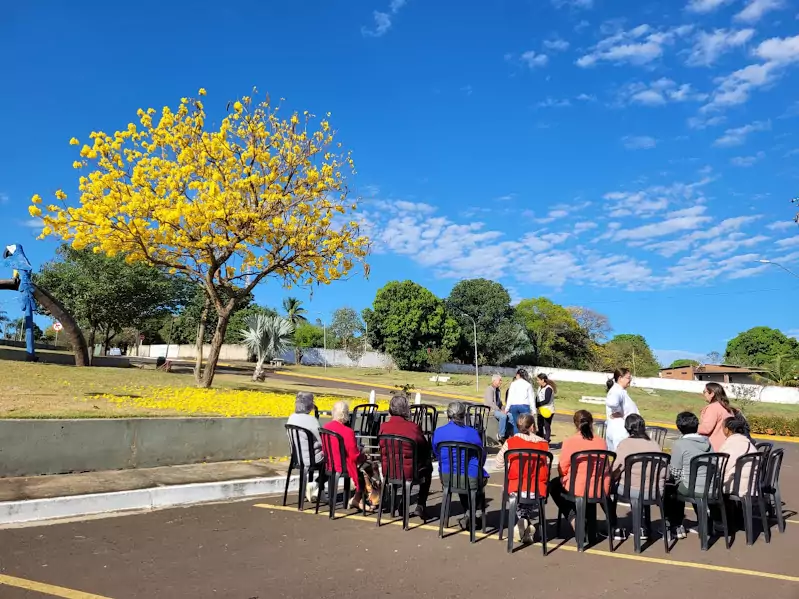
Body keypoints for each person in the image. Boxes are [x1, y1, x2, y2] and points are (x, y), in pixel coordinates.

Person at [549, 410, 609, 533]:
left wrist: (564, 476)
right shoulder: (601, 442)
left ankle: (572, 517)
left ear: (575, 425)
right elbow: (606, 466)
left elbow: (563, 468)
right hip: (598, 486)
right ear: (592, 423)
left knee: (554, 485)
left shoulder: (570, 442)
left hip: (577, 486)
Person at [494, 412, 549, 543]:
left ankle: (523, 520)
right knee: (530, 491)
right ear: (532, 427)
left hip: (515, 487)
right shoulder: (544, 445)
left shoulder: (511, 443)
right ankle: (525, 520)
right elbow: (546, 464)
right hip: (537, 489)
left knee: (516, 490)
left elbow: (498, 463)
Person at [432, 401, 489, 530]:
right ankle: (475, 513)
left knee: (462, 477)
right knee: (476, 477)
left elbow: (437, 452)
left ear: (448, 414)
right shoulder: (472, 433)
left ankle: (469, 514)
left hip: (447, 476)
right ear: (464, 416)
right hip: (470, 477)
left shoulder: (439, 432)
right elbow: (481, 454)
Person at [378, 393, 434, 520]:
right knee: (426, 468)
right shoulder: (413, 428)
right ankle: (420, 505)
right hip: (409, 472)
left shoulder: (383, 427)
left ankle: (400, 504)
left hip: (389, 471)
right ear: (406, 410)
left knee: (405, 464)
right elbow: (424, 447)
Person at [610, 414, 663, 541]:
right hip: (654, 490)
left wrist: (611, 478)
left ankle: (613, 525)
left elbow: (616, 468)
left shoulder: (625, 444)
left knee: (606, 488)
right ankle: (642, 526)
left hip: (631, 489)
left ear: (627, 428)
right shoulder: (655, 444)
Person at [322, 401, 380, 512]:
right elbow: (354, 456)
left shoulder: (325, 428)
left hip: (330, 464)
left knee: (365, 467)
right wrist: (363, 454)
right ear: (346, 414)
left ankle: (358, 498)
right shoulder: (348, 431)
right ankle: (372, 500)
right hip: (345, 466)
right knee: (371, 466)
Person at [664, 411, 711, 539]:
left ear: (679, 428)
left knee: (670, 487)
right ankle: (705, 523)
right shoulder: (708, 443)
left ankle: (676, 525)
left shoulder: (680, 444)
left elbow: (675, 471)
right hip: (710, 486)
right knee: (692, 482)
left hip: (691, 487)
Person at [286, 391, 326, 502]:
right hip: (312, 458)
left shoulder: (292, 418)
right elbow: (322, 441)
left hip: (297, 458)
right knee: (333, 461)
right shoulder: (312, 420)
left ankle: (317, 490)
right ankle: (317, 485)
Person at [719, 413, 757, 494]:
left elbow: (722, 467)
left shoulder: (732, 444)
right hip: (752, 484)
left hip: (737, 486)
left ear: (726, 429)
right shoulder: (747, 442)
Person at [605, 368, 640, 452]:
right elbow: (612, 403)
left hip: (621, 431)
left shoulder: (621, 390)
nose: (630, 380)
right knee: (621, 458)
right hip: (620, 432)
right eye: (628, 378)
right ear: (620, 378)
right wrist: (618, 411)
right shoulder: (617, 390)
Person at [699, 383, 736, 451]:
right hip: (728, 445)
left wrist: (693, 427)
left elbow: (706, 429)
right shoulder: (727, 408)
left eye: (705, 392)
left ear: (712, 394)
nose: (704, 394)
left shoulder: (713, 408)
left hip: (714, 449)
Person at [505, 368, 536, 436]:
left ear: (518, 375)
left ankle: (517, 439)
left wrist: (506, 408)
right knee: (526, 424)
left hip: (514, 406)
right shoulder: (528, 384)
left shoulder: (513, 384)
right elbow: (531, 398)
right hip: (524, 405)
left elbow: (510, 397)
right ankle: (525, 438)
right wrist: (533, 410)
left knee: (517, 424)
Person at [484, 374, 509, 442]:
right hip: (491, 410)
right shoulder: (489, 389)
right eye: (499, 380)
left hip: (497, 410)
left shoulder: (498, 390)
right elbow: (490, 403)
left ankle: (508, 434)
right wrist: (500, 410)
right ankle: (501, 435)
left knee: (510, 415)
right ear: (494, 381)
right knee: (503, 416)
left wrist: (504, 408)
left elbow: (499, 403)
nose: (501, 382)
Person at [535, 373, 557, 441]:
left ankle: (547, 440)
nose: (537, 381)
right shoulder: (539, 387)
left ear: (543, 380)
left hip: (548, 410)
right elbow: (537, 397)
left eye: (538, 380)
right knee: (540, 425)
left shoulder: (548, 388)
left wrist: (538, 404)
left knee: (547, 426)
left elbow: (547, 400)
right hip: (540, 410)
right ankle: (540, 439)